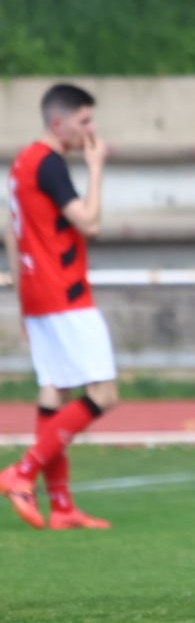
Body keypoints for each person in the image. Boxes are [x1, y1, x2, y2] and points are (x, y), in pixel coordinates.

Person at [0, 83, 118, 531]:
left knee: (55, 391)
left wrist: (21, 305)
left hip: (36, 295)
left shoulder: (21, 163)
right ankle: (22, 472)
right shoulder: (49, 163)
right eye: (84, 121)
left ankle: (62, 506)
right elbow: (90, 223)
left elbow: (11, 234)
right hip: (64, 293)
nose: (90, 130)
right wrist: (96, 167)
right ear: (58, 122)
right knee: (104, 394)